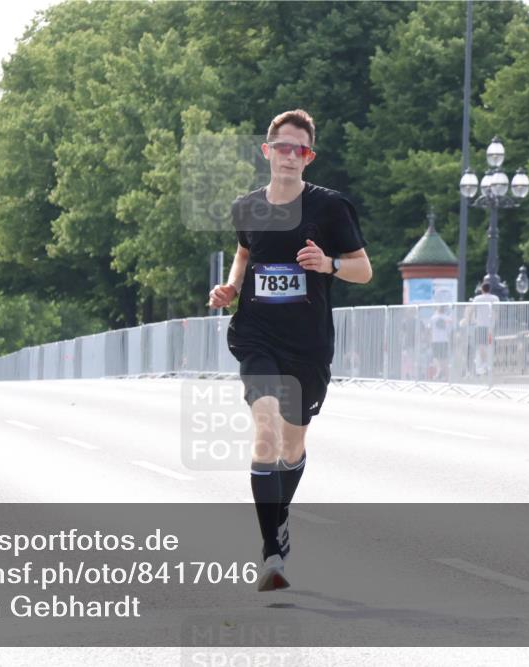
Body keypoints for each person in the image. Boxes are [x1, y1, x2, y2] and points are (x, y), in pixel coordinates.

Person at [208, 109, 371, 591]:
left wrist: (328, 264)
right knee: (265, 432)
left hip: (308, 345)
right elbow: (244, 252)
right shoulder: (246, 208)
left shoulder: (330, 208)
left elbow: (364, 270)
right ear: (267, 151)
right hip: (256, 336)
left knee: (292, 445)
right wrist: (232, 287)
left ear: (308, 157)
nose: (289, 155)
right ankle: (271, 553)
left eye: (299, 149)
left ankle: (279, 519)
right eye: (282, 147)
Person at [468, 282, 500, 376]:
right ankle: (488, 364)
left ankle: (485, 363)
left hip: (481, 325)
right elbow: (497, 311)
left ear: (482, 289)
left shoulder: (477, 299)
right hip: (491, 326)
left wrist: (469, 320)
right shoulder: (495, 298)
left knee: (481, 345)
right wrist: (496, 321)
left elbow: (471, 310)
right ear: (490, 289)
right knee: (490, 345)